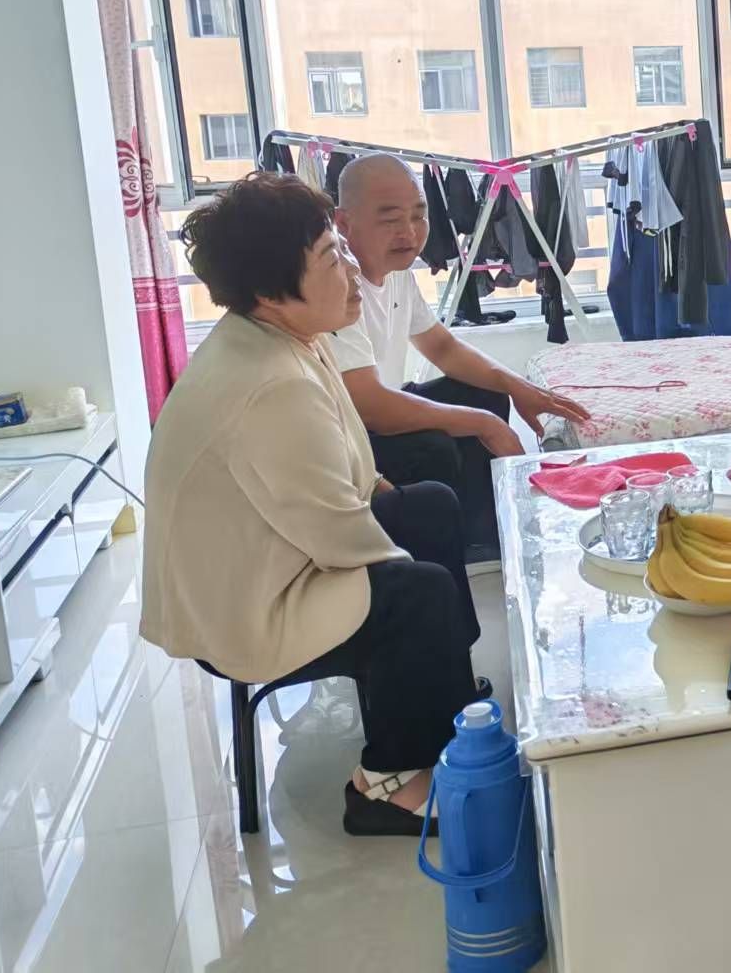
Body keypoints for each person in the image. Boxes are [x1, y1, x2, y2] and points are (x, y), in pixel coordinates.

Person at [142, 172, 487, 837]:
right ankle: (385, 785)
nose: (354, 271)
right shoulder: (269, 383)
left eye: (343, 249)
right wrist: (416, 579)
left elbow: (349, 463)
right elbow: (337, 535)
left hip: (271, 551)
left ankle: (447, 694)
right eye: (332, 258)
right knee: (418, 593)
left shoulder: (285, 336)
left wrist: (394, 506)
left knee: (430, 504)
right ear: (273, 292)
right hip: (244, 605)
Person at [331, 154, 588, 572]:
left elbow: (443, 348)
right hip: (352, 437)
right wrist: (485, 424)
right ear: (343, 223)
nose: (409, 232)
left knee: (485, 391)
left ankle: (485, 539)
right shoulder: (340, 289)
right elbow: (370, 407)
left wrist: (517, 386)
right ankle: (444, 552)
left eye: (419, 215)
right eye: (390, 219)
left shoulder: (398, 274)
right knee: (437, 445)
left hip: (381, 405)